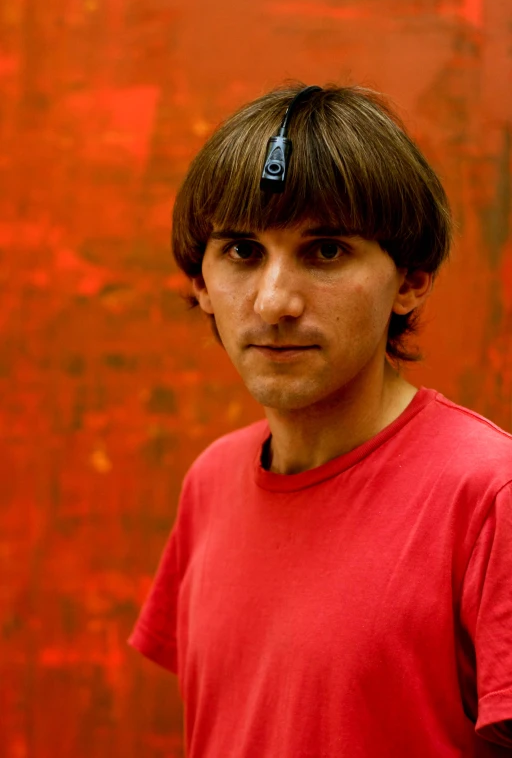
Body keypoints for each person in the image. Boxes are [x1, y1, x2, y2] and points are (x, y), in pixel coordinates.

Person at [129, 84, 512, 757]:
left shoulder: (489, 495)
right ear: (200, 282)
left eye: (326, 251)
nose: (275, 301)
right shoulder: (211, 481)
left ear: (411, 281)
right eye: (243, 252)